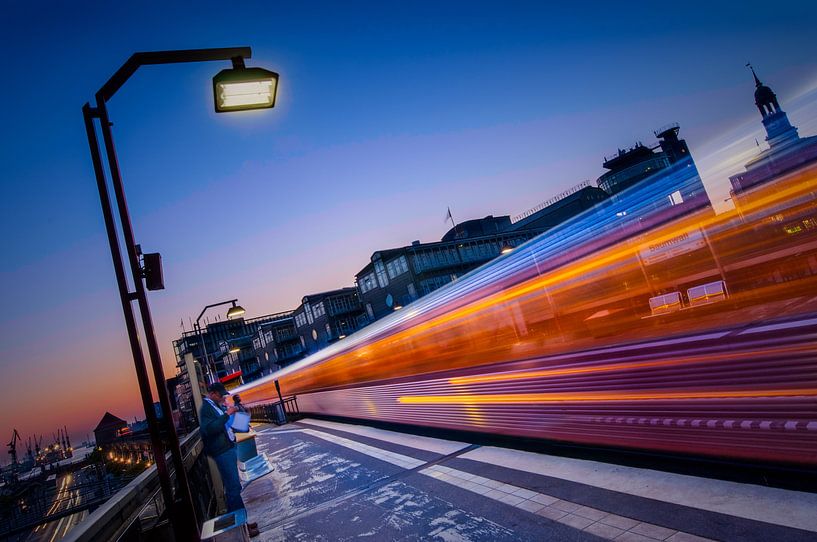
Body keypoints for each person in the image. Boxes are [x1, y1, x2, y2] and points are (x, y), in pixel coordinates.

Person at [200, 382, 259, 537]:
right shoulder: (206, 408)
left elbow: (227, 424)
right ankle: (241, 529)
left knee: (234, 489)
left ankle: (243, 524)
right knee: (233, 490)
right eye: (220, 395)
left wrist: (240, 418)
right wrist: (227, 414)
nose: (222, 398)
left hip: (228, 448)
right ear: (212, 393)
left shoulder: (216, 405)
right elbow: (210, 429)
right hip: (223, 452)